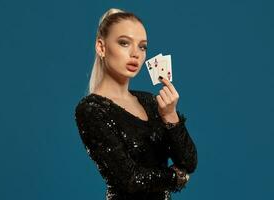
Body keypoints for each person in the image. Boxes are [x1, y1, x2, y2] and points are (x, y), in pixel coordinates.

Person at [74, 8, 198, 200]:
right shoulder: (91, 110)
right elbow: (130, 180)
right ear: (101, 47)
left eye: (142, 47)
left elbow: (189, 162)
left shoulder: (150, 101)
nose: (136, 54)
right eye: (124, 43)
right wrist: (175, 177)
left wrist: (170, 116)